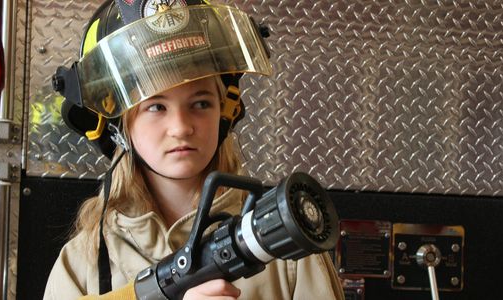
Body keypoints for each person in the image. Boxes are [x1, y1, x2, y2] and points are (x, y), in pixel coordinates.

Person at [44, 1, 344, 299]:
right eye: (156, 106)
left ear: (225, 111)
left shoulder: (281, 242)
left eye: (200, 103)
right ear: (119, 125)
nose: (181, 127)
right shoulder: (84, 264)